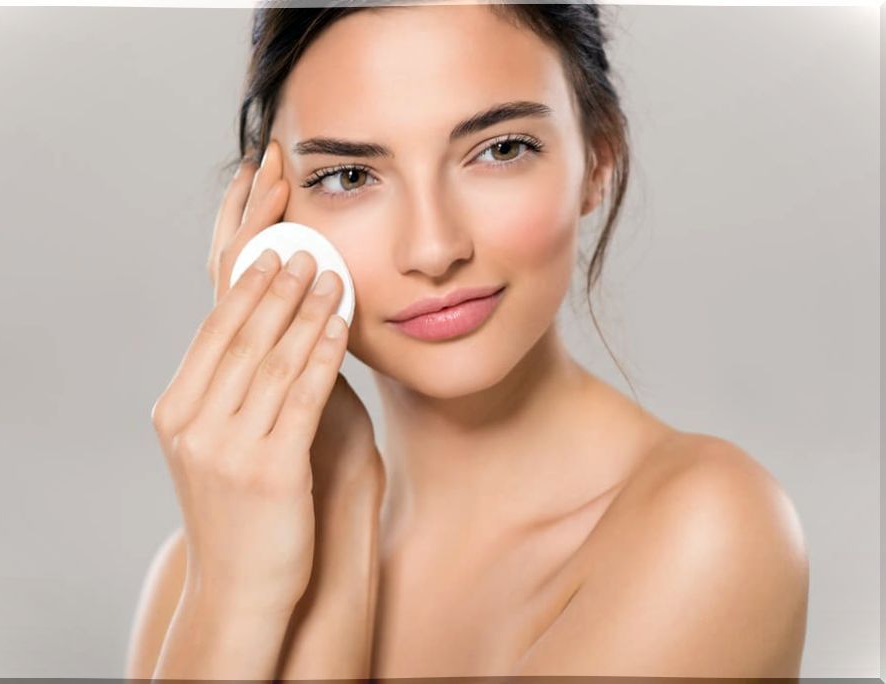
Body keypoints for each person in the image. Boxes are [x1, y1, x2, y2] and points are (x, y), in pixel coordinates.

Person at [125, 2, 810, 679]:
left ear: (599, 157)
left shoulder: (709, 532)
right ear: (267, 220)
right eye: (350, 176)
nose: (433, 248)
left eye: (500, 149)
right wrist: (246, 588)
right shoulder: (204, 572)